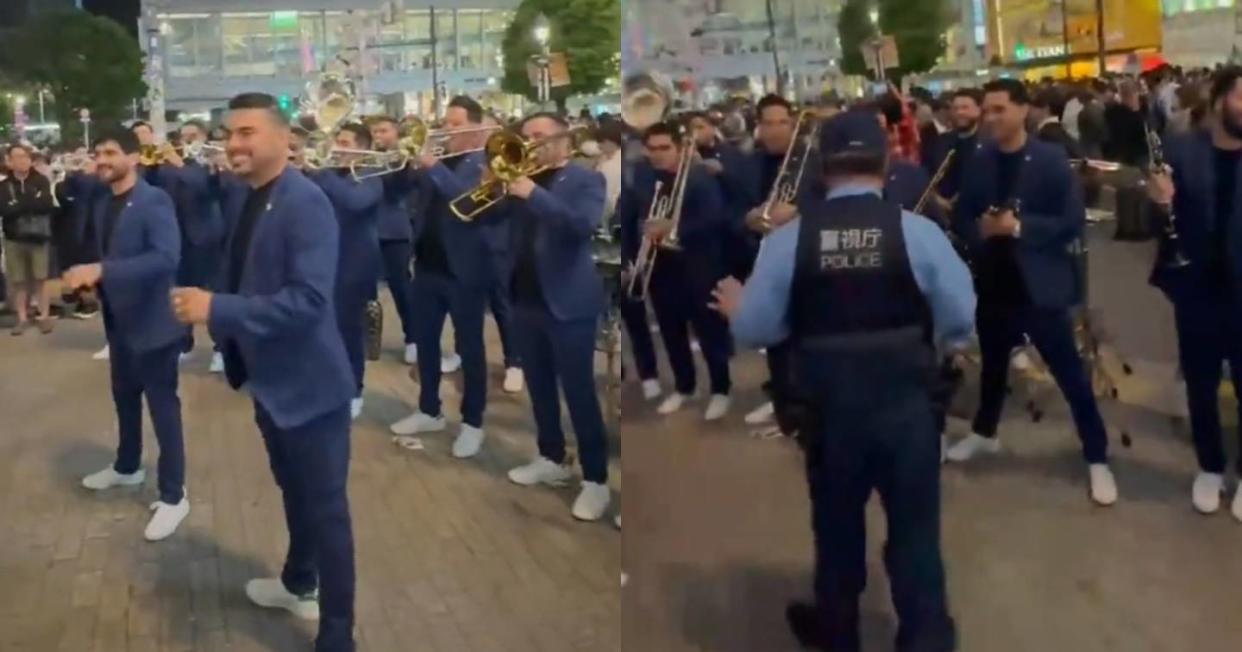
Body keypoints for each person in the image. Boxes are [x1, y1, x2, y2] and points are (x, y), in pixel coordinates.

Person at [711, 109, 973, 652]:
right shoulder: (919, 233)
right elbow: (960, 321)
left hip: (829, 417)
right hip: (908, 411)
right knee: (916, 537)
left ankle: (838, 633)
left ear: (822, 170)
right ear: (885, 162)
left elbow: (759, 329)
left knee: (836, 533)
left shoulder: (789, 241)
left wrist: (738, 308)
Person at [171, 92, 357, 652]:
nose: (234, 143)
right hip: (270, 383)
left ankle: (338, 635)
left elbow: (307, 302)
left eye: (248, 132)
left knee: (326, 510)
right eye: (230, 133)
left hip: (310, 387)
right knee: (292, 491)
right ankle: (299, 581)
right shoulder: (250, 195)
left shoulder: (306, 202)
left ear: (285, 139)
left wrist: (217, 309)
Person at [944, 79, 1118, 506]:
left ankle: (1097, 455)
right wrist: (979, 231)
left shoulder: (1051, 159)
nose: (991, 118)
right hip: (993, 282)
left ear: (1023, 110)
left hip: (1040, 288)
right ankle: (985, 433)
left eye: (999, 109)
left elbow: (1071, 220)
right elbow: (963, 215)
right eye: (987, 110)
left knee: (1071, 376)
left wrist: (1020, 228)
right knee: (992, 369)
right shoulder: (979, 159)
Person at [65, 126, 189, 542]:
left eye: (111, 152)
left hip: (155, 325)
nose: (101, 159)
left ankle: (174, 495)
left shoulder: (154, 201)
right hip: (120, 323)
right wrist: (96, 284)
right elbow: (112, 256)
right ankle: (127, 466)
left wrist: (104, 271)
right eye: (98, 152)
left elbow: (165, 258)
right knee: (124, 400)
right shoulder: (103, 202)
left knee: (163, 410)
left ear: (134, 158)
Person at [491, 112, 613, 521]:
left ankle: (596, 479)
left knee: (578, 393)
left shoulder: (585, 179)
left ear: (564, 139)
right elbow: (495, 224)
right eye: (526, 137)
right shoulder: (521, 176)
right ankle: (552, 457)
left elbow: (581, 225)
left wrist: (532, 194)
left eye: (540, 136)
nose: (530, 144)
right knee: (540, 388)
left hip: (568, 303)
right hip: (525, 300)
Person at [1147, 66, 1242, 521]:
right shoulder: (1185, 152)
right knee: (1201, 385)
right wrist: (1159, 202)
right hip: (1199, 289)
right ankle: (1209, 466)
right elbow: (1162, 227)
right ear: (1221, 99)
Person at [387, 95, 495, 459]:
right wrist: (406, 166)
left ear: (476, 128)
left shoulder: (485, 162)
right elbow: (400, 193)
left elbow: (466, 200)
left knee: (470, 349)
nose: (445, 130)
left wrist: (432, 165)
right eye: (445, 123)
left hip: (464, 269)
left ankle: (472, 423)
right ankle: (428, 409)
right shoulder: (442, 159)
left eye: (454, 124)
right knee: (426, 342)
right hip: (428, 265)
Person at [618, 120, 733, 421]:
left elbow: (715, 219)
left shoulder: (699, 178)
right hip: (660, 268)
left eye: (664, 148)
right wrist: (631, 260)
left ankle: (721, 389)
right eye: (652, 149)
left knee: (709, 332)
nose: (658, 154)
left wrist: (674, 227)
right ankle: (685, 386)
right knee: (671, 331)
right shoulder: (641, 179)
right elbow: (630, 221)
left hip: (698, 266)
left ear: (679, 149)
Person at [306, 122, 383, 420]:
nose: (336, 146)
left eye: (344, 141)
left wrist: (319, 171)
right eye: (336, 139)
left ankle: (354, 390)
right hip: (321, 260)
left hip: (354, 264)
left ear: (361, 149)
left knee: (349, 331)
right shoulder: (329, 174)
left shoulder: (372, 175)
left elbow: (354, 202)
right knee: (320, 328)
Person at [368, 115, 422, 367]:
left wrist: (404, 160)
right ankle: (365, 341)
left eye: (384, 130)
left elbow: (401, 187)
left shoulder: (403, 158)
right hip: (365, 231)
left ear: (396, 133)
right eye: (375, 131)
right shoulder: (362, 156)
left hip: (393, 231)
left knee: (402, 288)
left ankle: (413, 338)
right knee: (363, 291)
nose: (379, 135)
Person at [1, 143, 56, 334]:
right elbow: (4, 210)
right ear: (8, 161)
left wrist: (19, 204)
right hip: (13, 238)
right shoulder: (4, 185)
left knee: (41, 278)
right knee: (18, 280)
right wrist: (29, 202)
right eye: (16, 157)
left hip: (38, 237)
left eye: (24, 156)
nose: (21, 160)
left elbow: (46, 204)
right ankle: (22, 318)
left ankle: (44, 316)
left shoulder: (40, 180)